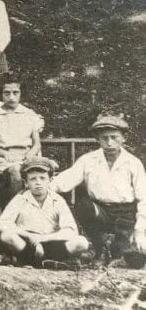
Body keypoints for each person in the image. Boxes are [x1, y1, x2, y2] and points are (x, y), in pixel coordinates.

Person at [51, 115, 146, 268]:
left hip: (126, 214)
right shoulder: (88, 160)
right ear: (98, 139)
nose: (109, 143)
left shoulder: (133, 163)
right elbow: (65, 180)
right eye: (104, 138)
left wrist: (140, 230)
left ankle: (119, 249)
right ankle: (99, 248)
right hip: (100, 211)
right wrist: (44, 189)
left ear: (124, 138)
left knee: (136, 259)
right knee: (83, 206)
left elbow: (144, 198)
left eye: (114, 137)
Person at [0, 157, 90, 269]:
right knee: (7, 236)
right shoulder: (20, 199)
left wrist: (43, 238)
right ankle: (39, 260)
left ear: (50, 180)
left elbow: (70, 230)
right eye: (33, 179)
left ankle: (41, 260)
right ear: (26, 183)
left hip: (51, 242)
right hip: (28, 243)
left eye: (42, 178)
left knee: (82, 242)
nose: (38, 183)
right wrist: (31, 236)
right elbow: (3, 223)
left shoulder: (58, 200)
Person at [0, 73, 43, 205]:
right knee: (15, 171)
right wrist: (5, 154)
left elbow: (36, 144)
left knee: (39, 172)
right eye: (7, 93)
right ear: (1, 94)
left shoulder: (29, 114)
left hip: (27, 156)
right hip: (4, 158)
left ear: (21, 93)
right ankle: (17, 209)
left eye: (15, 93)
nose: (11, 97)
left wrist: (30, 154)